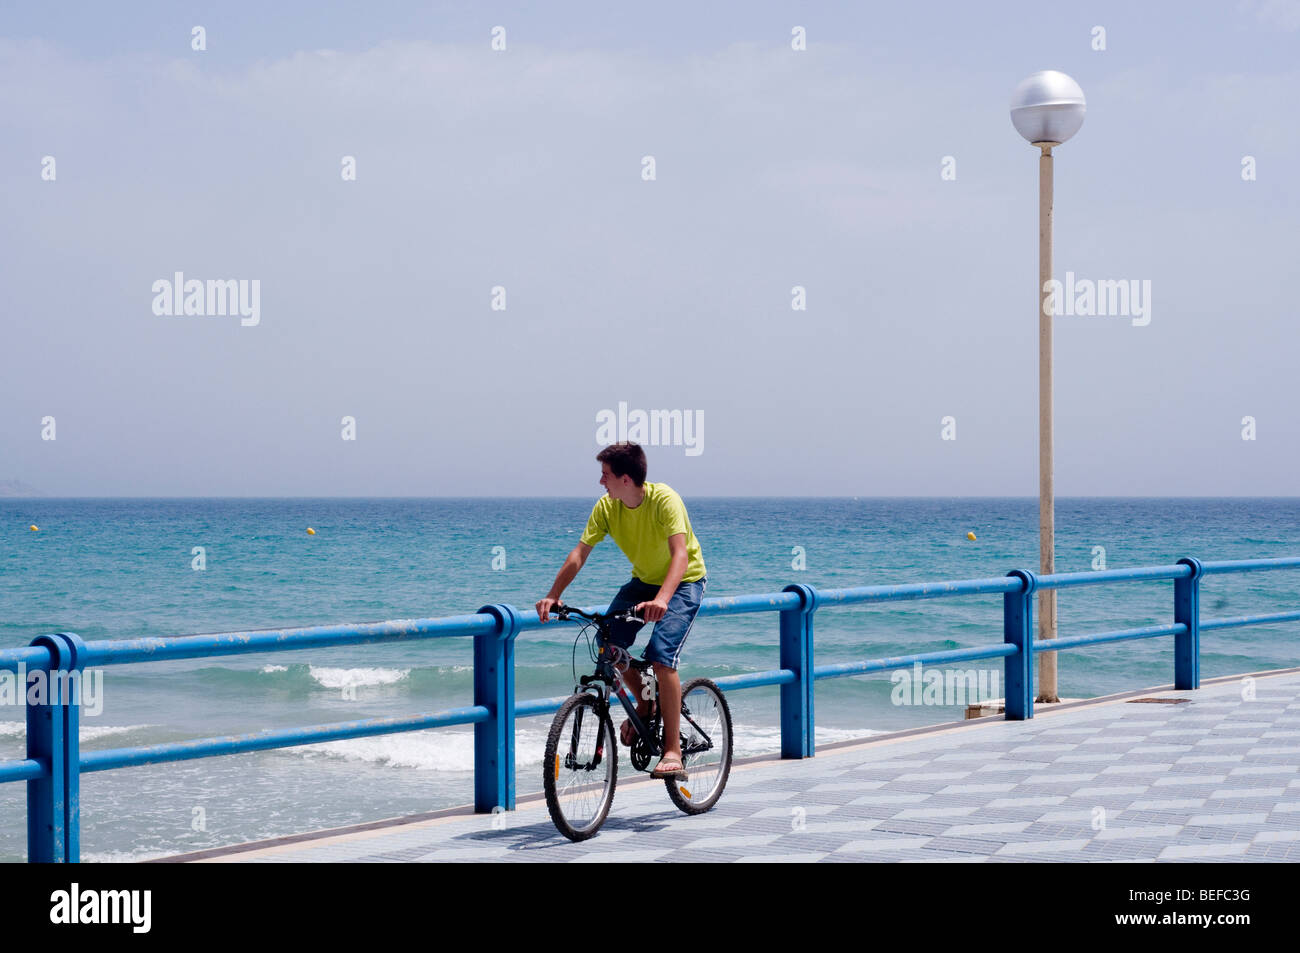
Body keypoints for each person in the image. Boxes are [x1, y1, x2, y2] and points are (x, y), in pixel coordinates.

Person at [536, 442, 707, 781]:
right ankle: (645, 705)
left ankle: (673, 750)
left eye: (606, 476)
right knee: (608, 642)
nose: (601, 482)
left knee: (661, 657)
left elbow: (680, 556)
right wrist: (553, 595)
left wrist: (662, 600)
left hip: (684, 581)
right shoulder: (607, 507)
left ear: (626, 479)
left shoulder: (664, 500)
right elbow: (579, 554)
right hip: (643, 581)